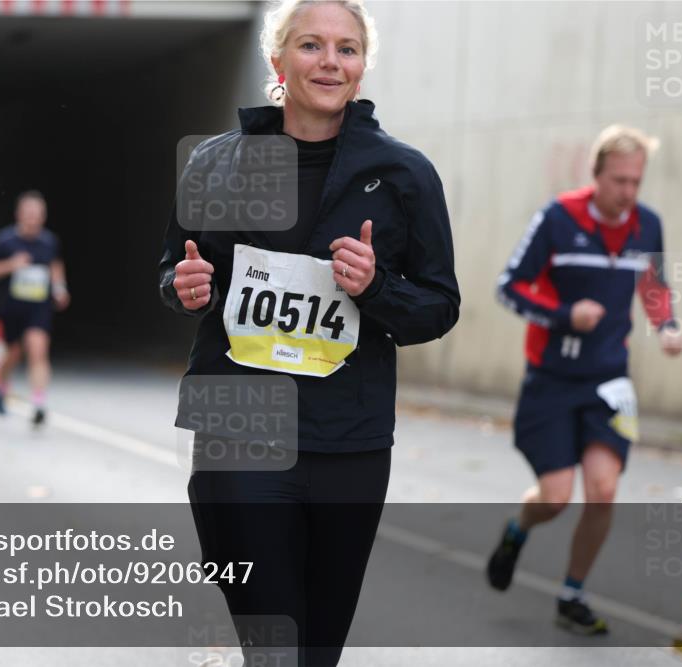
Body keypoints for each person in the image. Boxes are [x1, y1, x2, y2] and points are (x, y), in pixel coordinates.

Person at [158, 1, 459, 664]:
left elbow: (438, 307)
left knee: (317, 651)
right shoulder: (216, 163)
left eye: (347, 49)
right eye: (312, 45)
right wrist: (186, 290)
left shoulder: (405, 174)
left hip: (345, 444)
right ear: (278, 59)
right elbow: (173, 271)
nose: (330, 61)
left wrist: (375, 287)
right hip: (238, 434)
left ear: (361, 66)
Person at [487, 124, 682, 635]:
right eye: (619, 180)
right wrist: (564, 315)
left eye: (636, 182)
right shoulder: (558, 218)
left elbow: (654, 285)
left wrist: (667, 326)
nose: (628, 193)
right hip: (551, 380)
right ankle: (516, 530)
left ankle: (572, 593)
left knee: (602, 489)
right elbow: (508, 289)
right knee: (554, 497)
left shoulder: (648, 225)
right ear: (595, 174)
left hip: (609, 382)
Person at [0, 190, 70, 425]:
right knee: (14, 353)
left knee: (38, 349)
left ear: (43, 216)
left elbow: (55, 266)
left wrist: (59, 288)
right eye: (28, 213)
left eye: (38, 214)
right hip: (11, 307)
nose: (33, 218)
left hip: (38, 307)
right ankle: (1, 385)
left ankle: (39, 403)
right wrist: (11, 265)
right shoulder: (4, 240)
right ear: (19, 214)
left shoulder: (49, 241)